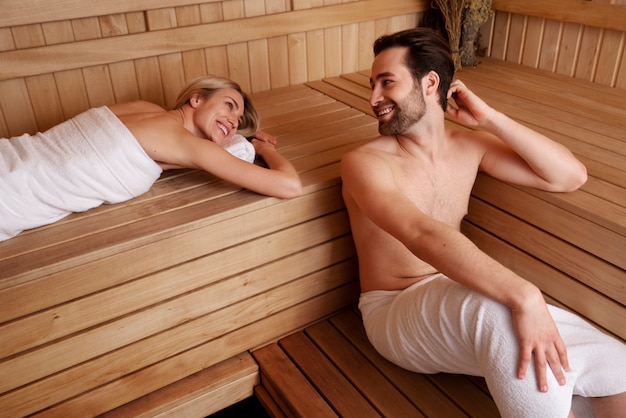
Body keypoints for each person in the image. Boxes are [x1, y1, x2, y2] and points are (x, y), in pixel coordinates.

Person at [340, 28, 626, 417]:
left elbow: (569, 175)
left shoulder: (469, 146)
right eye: (372, 85)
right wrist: (525, 295)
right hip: (394, 310)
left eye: (386, 82)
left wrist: (490, 119)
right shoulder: (365, 163)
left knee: (613, 362)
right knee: (496, 307)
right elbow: (421, 235)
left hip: (457, 295)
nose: (373, 98)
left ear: (430, 83)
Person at [0, 75, 302, 241]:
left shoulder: (142, 108)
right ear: (196, 99)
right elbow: (290, 186)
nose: (233, 121)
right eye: (229, 105)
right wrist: (266, 150)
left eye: (237, 121)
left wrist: (236, 135)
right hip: (11, 193)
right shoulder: (186, 145)